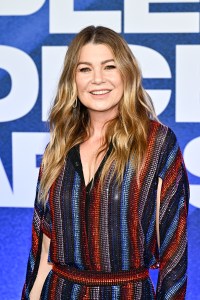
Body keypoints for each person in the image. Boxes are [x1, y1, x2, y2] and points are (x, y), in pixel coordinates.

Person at [21, 26, 189, 300]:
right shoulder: (58, 148)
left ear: (126, 73)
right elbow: (43, 254)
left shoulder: (157, 143)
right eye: (84, 69)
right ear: (72, 80)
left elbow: (174, 253)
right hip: (60, 291)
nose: (97, 79)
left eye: (109, 66)